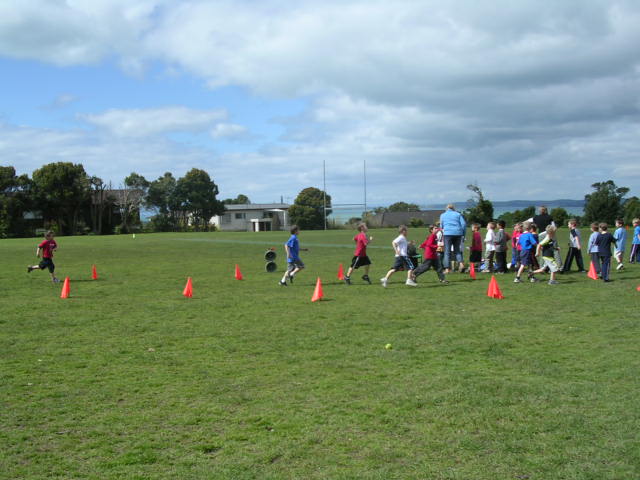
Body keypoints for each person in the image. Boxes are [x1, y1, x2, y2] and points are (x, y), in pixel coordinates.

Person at [439, 204, 466, 273]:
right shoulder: (458, 214)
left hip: (447, 233)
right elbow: (463, 224)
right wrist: (463, 234)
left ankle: (447, 269)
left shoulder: (443, 215)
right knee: (457, 250)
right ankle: (461, 264)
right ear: (453, 208)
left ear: (446, 208)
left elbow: (441, 226)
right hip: (458, 233)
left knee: (447, 252)